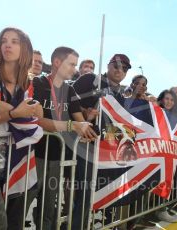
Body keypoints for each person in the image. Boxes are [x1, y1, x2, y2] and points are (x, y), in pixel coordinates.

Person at [0, 27, 43, 229]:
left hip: (14, 159)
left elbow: (36, 116)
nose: (7, 45)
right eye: (4, 40)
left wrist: (12, 111)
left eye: (15, 41)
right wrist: (14, 114)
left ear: (25, 49)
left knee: (12, 222)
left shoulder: (26, 83)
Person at [31, 46, 97, 229]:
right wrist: (73, 126)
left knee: (48, 210)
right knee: (21, 205)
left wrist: (87, 129)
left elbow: (79, 120)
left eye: (76, 65)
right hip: (32, 155)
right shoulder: (37, 83)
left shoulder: (69, 90)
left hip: (56, 157)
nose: (75, 69)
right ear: (57, 62)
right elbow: (35, 120)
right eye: (71, 64)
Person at [72, 53, 131, 229]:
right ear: (108, 65)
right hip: (84, 146)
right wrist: (85, 114)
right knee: (84, 194)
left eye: (125, 68)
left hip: (107, 152)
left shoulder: (121, 95)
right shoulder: (90, 79)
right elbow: (67, 102)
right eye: (117, 66)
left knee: (102, 192)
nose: (120, 70)